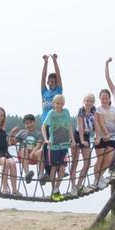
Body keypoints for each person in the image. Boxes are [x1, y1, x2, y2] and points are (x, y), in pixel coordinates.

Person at [42, 94, 73, 201]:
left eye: (61, 103)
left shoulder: (66, 112)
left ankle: (56, 189)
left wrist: (72, 139)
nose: (59, 105)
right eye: (57, 103)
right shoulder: (51, 113)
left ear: (64, 103)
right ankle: (54, 191)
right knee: (54, 168)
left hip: (64, 145)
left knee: (63, 168)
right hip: (53, 146)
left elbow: (69, 126)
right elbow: (43, 126)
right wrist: (46, 140)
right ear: (53, 104)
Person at [39, 53, 63, 184]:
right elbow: (42, 77)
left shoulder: (58, 92)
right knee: (46, 148)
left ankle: (59, 170)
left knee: (57, 147)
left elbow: (59, 75)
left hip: (56, 125)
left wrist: (55, 61)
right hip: (45, 124)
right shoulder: (45, 92)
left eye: (54, 81)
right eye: (50, 81)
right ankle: (47, 173)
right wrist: (46, 62)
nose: (52, 83)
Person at [70, 94, 97, 195]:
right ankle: (73, 187)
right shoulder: (80, 112)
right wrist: (81, 141)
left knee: (87, 162)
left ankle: (79, 185)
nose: (89, 103)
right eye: (87, 101)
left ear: (93, 102)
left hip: (87, 136)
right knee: (75, 162)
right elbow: (80, 127)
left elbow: (96, 125)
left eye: (91, 101)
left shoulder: (94, 111)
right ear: (84, 101)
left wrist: (98, 136)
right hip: (78, 136)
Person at [93, 89, 115, 189]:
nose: (104, 100)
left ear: (109, 98)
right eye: (102, 98)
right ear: (100, 99)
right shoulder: (98, 110)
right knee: (100, 159)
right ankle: (96, 180)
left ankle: (100, 176)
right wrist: (106, 134)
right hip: (101, 137)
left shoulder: (114, 109)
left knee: (108, 160)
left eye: (106, 98)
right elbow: (101, 123)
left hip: (112, 137)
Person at [10, 114, 43, 185]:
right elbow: (12, 142)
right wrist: (12, 133)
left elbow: (39, 144)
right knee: (24, 150)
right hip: (23, 155)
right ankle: (27, 174)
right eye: (27, 123)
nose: (29, 125)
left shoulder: (39, 133)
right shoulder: (22, 132)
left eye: (31, 122)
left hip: (34, 155)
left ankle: (41, 175)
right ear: (25, 125)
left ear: (34, 122)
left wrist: (33, 152)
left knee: (41, 151)